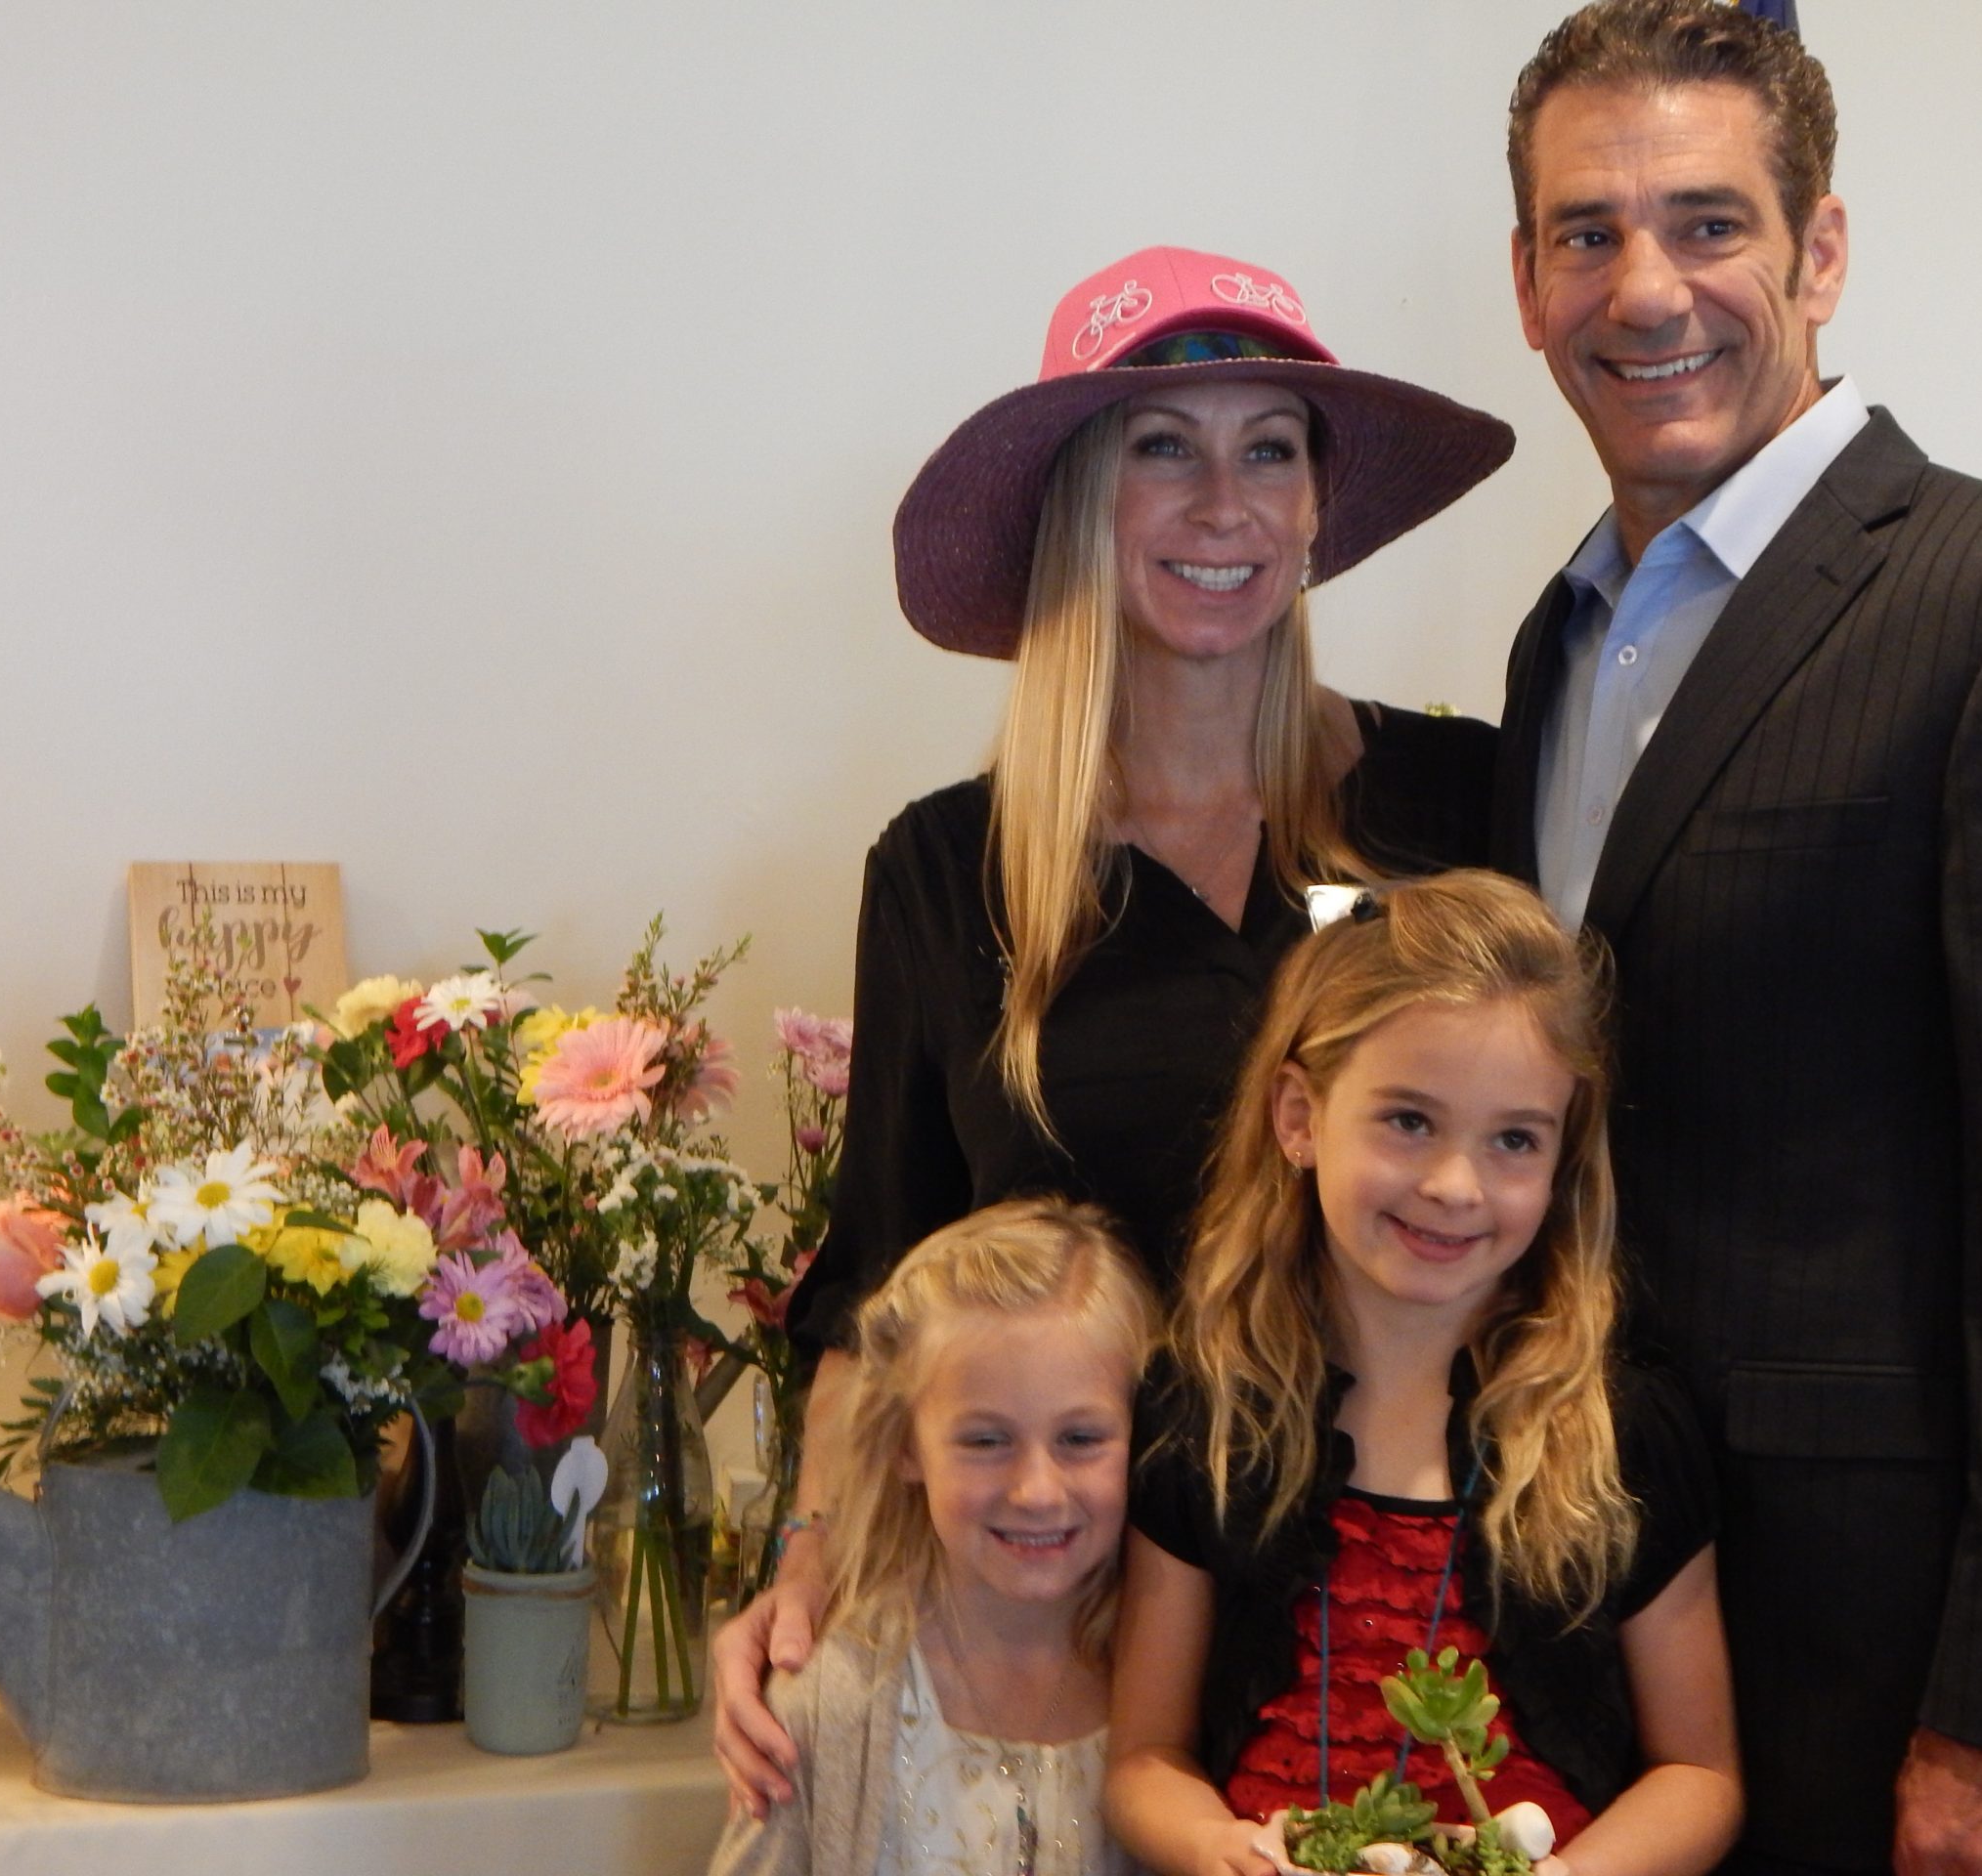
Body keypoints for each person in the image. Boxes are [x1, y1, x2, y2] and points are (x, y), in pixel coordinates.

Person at [1486, 7, 1982, 1874]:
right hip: (1586, 1646)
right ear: (1525, 281)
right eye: (1587, 232)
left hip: (1882, 1674)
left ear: (1819, 251)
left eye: (1708, 224)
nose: (1645, 288)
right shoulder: (1552, 648)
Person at [714, 245, 1518, 1812]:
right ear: (1079, 500)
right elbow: (878, 1278)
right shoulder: (948, 870)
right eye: (1164, 448)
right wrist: (802, 1565)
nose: (1224, 505)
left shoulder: (1454, 807)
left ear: (1316, 506)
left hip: (1401, 1619)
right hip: (1061, 1633)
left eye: (1268, 450)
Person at [1107, 869, 1743, 1876]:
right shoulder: (1208, 1412)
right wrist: (1216, 1848)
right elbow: (1145, 1757)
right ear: (1298, 1117)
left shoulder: (1620, 1431)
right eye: (1409, 1121)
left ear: (1563, 1157)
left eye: (1514, 1140)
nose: (1455, 1185)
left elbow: (1700, 1775)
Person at [708, 1196, 1157, 1876]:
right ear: (905, 1446)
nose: (1037, 1490)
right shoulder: (830, 1704)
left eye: (1081, 1438)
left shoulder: (1176, 1688)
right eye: (985, 1441)